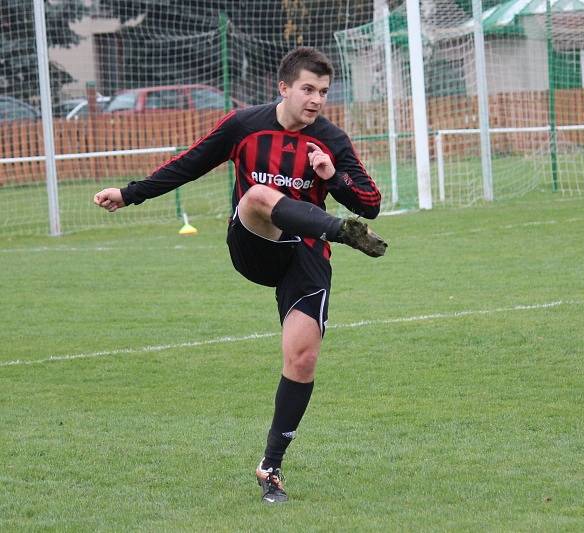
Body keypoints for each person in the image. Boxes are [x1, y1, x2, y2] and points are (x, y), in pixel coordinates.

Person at [93, 47, 387, 504]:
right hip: (255, 243)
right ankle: (339, 232)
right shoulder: (244, 125)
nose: (315, 100)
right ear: (284, 87)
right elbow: (188, 164)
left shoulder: (331, 140)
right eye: (307, 89)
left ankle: (270, 468)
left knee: (302, 358)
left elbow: (370, 204)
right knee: (257, 196)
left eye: (323, 93)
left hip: (305, 254)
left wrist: (332, 178)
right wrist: (129, 195)